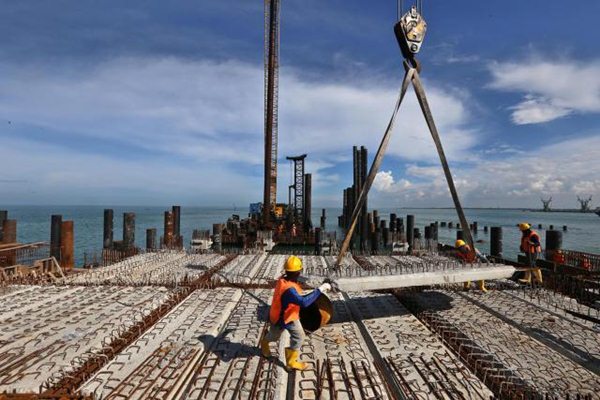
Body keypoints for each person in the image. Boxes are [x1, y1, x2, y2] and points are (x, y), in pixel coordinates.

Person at [260, 255, 331, 370]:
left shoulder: (283, 279)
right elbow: (303, 302)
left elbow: (297, 297)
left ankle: (274, 350)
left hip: (279, 314)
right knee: (297, 337)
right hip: (284, 317)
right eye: (299, 271)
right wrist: (320, 289)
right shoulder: (289, 290)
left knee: (279, 335)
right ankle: (288, 360)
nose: (299, 273)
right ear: (297, 272)